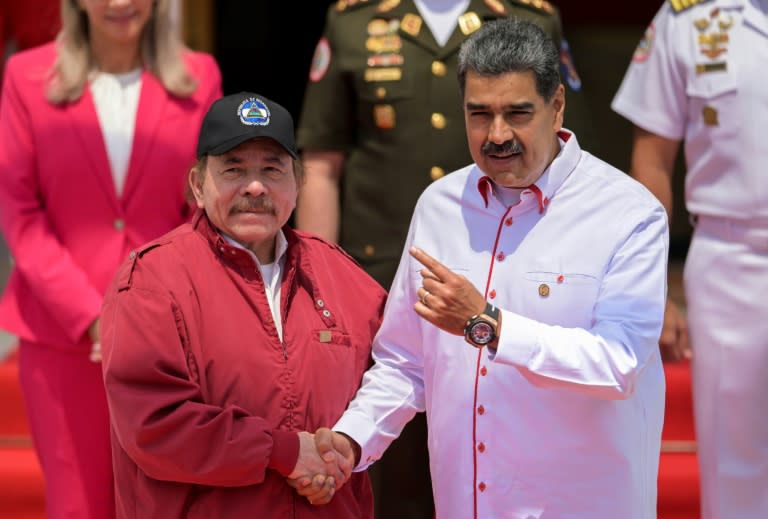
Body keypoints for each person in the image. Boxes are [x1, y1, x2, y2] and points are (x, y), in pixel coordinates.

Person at [293, 17, 669, 518]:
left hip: (578, 503)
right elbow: (405, 360)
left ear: (556, 105)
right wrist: (352, 439)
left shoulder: (628, 213)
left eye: (517, 113)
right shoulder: (440, 206)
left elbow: (619, 364)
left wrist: (488, 325)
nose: (497, 135)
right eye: (479, 114)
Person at [99, 91, 387, 518]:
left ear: (298, 183)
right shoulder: (152, 281)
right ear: (198, 185)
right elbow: (154, 425)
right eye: (233, 169)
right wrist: (285, 452)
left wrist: (347, 445)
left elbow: (397, 376)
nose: (255, 187)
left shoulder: (344, 278)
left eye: (272, 170)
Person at [0, 0, 222, 516]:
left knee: (167, 501)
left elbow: (206, 205)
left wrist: (149, 311)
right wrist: (94, 317)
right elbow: (20, 210)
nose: (121, 3)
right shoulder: (26, 75)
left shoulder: (198, 75)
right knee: (78, 504)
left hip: (169, 336)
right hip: (62, 337)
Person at [611, 1, 768, 517]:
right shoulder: (689, 19)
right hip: (734, 258)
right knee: (735, 458)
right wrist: (651, 285)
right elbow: (652, 161)